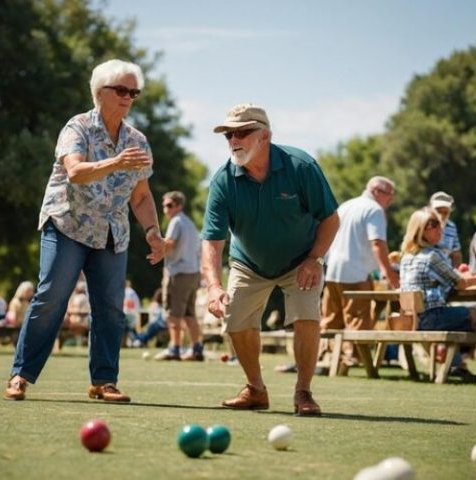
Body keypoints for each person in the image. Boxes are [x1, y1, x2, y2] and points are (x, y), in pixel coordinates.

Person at [3, 59, 164, 402]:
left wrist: (152, 230)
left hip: (111, 233)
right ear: (99, 92)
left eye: (133, 92)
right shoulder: (76, 128)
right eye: (121, 90)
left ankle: (103, 382)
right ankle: (21, 375)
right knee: (51, 298)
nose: (128, 97)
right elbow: (75, 172)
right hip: (67, 225)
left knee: (110, 308)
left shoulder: (138, 140)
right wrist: (115, 163)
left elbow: (142, 195)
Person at [202, 103, 340, 416]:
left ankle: (303, 391)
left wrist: (314, 259)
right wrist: (212, 286)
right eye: (229, 134)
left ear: (265, 136)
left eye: (243, 132)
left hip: (301, 259)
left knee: (306, 316)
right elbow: (212, 241)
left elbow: (331, 219)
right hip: (248, 262)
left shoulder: (300, 166)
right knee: (236, 320)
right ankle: (256, 389)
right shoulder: (222, 181)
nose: (234, 139)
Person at [321, 176, 400, 370]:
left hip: (332, 271)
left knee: (331, 320)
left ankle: (324, 359)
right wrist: (391, 276)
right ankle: (355, 360)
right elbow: (377, 244)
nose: (390, 201)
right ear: (377, 192)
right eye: (390, 196)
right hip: (356, 273)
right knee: (358, 322)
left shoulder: (346, 206)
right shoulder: (374, 210)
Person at [399, 208, 476, 375]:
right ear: (421, 230)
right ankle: (462, 359)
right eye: (435, 225)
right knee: (475, 316)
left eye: (440, 224)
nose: (441, 229)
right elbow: (460, 283)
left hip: (410, 319)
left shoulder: (406, 257)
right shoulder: (432, 256)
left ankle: (456, 363)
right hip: (430, 318)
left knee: (454, 317)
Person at [156, 191, 203, 361]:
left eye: (169, 205)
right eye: (164, 206)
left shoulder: (176, 221)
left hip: (178, 272)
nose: (165, 209)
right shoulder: (190, 223)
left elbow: (170, 243)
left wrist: (157, 250)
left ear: (179, 206)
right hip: (193, 272)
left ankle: (174, 349)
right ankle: (197, 349)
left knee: (173, 313)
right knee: (190, 314)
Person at [429, 191, 462, 266]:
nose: (442, 215)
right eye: (439, 211)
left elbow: (456, 252)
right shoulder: (425, 225)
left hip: (446, 268)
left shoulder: (451, 226)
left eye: (445, 212)